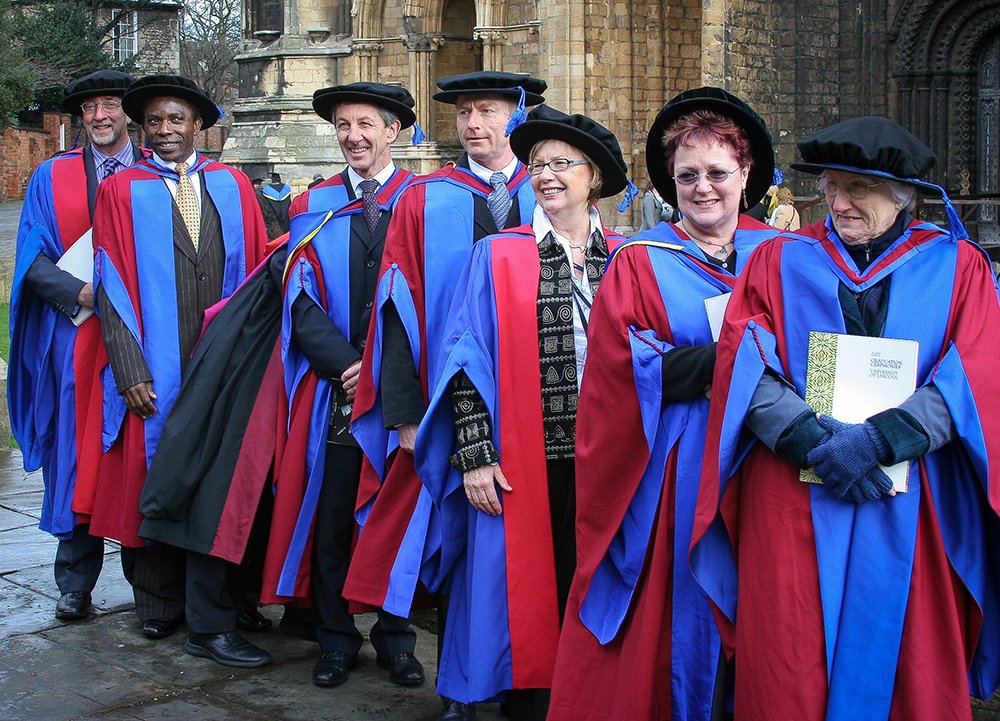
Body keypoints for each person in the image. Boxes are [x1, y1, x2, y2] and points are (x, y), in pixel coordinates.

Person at [691, 117, 1000, 720]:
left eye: (859, 188)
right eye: (831, 187)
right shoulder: (780, 260)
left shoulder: (957, 267)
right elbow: (744, 362)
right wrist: (812, 440)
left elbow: (978, 371)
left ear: (902, 194)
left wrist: (883, 440)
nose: (839, 203)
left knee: (907, 654)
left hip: (909, 494)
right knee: (789, 652)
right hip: (794, 488)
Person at [546, 87, 780, 721]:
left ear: (746, 174)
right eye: (687, 176)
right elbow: (623, 370)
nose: (703, 188)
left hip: (769, 457)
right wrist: (738, 357)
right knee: (689, 603)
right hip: (682, 461)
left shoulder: (783, 257)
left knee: (769, 599)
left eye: (717, 174)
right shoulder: (640, 261)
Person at [415, 105, 632, 721]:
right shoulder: (499, 254)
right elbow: (466, 359)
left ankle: (584, 691)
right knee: (509, 583)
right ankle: (521, 696)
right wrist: (476, 456)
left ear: (593, 177)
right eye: (538, 164)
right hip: (523, 455)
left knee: (587, 577)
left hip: (606, 459)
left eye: (563, 163)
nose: (547, 175)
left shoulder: (623, 257)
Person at [345, 71, 546, 721]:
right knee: (461, 545)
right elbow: (394, 312)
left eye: (486, 110)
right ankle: (461, 684)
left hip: (538, 407)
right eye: (463, 113)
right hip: (447, 407)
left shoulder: (553, 194)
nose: (473, 124)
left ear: (517, 116)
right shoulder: (425, 198)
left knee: (530, 548)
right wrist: (404, 414)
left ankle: (528, 677)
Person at [89, 74, 268, 666]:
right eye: (154, 122)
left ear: (199, 125)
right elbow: (111, 285)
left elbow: (257, 271)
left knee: (220, 475)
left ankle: (228, 599)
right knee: (155, 472)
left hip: (223, 359)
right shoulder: (122, 190)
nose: (165, 131)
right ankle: (158, 604)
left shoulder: (232, 183)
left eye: (176, 120)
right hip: (156, 363)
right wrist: (129, 367)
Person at [259, 82, 425, 689]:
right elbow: (297, 298)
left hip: (401, 390)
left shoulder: (425, 200)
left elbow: (433, 298)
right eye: (343, 127)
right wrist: (347, 366)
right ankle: (334, 638)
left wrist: (382, 371)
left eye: (365, 125)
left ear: (394, 131)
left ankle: (395, 638)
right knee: (332, 514)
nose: (353, 136)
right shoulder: (315, 203)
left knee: (394, 513)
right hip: (337, 391)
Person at [9, 70, 145, 622]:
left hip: (140, 341)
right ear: (79, 117)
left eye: (110, 104)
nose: (100, 116)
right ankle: (74, 582)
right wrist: (83, 291)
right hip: (76, 340)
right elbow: (30, 263)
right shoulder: (52, 175)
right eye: (90, 108)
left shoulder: (155, 172)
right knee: (75, 453)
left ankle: (149, 585)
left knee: (137, 452)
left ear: (127, 112)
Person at [258, 171, 292, 239]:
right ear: (279, 179)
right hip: (286, 219)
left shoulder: (267, 190)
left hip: (273, 221)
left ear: (272, 180)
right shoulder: (286, 188)